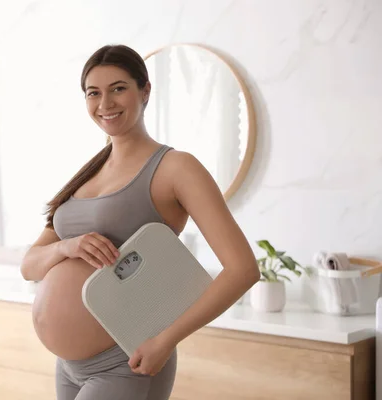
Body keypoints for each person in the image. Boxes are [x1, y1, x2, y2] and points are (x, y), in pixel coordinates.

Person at [20, 44, 259, 400]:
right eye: (93, 93)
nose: (105, 104)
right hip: (68, 366)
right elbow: (29, 266)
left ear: (145, 91)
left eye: (118, 88)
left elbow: (243, 270)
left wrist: (166, 340)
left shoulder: (176, 168)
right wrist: (67, 246)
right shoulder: (87, 174)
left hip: (126, 362)